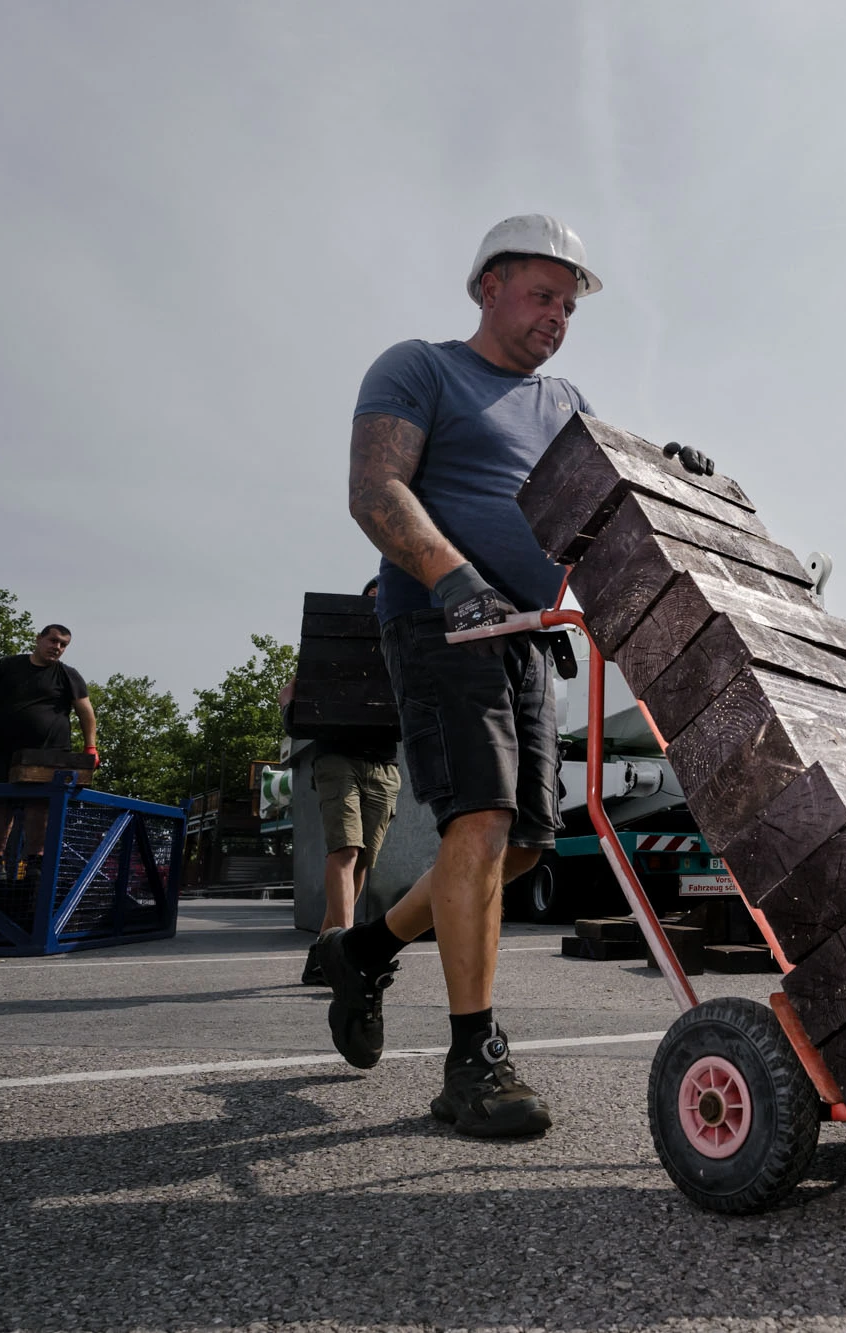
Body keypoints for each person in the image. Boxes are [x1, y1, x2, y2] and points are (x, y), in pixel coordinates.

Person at [312, 214, 604, 1139]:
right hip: (442, 620)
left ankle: (365, 946)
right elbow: (375, 488)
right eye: (540, 294)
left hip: (526, 634)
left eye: (569, 302)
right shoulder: (420, 368)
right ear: (488, 285)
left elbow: (602, 507)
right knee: (476, 821)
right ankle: (473, 1058)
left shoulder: (566, 402)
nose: (556, 315)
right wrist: (455, 578)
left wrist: (669, 479)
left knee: (519, 847)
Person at [298, 579, 403, 986]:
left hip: (383, 765)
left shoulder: (402, 645)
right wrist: (291, 701)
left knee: (361, 862)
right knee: (345, 849)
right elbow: (299, 695)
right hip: (337, 757)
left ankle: (322, 956)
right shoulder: (333, 646)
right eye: (373, 599)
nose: (380, 604)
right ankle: (346, 954)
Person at [0, 623, 98, 884]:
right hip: (1, 749)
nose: (57, 648)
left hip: (48, 753)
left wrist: (90, 746)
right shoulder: (6, 666)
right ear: (38, 639)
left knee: (39, 804)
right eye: (53, 641)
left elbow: (86, 712)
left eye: (63, 645)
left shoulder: (68, 675)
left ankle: (35, 863)